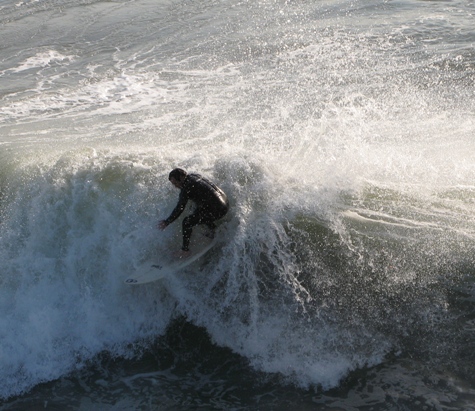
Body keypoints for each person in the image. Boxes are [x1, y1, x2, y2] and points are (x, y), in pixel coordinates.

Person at [158, 168, 229, 258]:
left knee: (187, 222)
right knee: (195, 210)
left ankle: (185, 251)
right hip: (225, 203)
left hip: (217, 210)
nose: (176, 186)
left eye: (175, 183)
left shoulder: (186, 187)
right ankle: (213, 231)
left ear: (181, 177)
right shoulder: (194, 176)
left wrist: (167, 222)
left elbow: (180, 208)